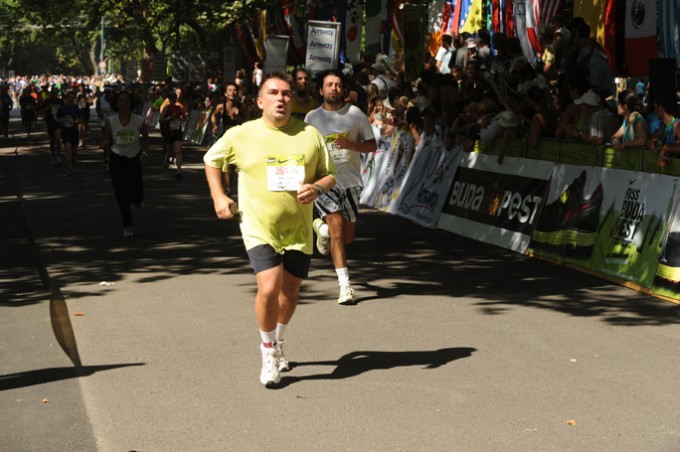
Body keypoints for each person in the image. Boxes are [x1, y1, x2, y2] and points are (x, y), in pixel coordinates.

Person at [203, 72, 336, 388]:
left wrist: (317, 188)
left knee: (290, 291)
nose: (281, 98)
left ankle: (277, 340)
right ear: (260, 101)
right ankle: (267, 352)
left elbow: (329, 174)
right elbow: (211, 160)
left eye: (287, 93)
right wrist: (219, 196)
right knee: (269, 287)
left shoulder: (310, 134)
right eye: (273, 93)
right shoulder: (241, 134)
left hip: (298, 229)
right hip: (258, 226)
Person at [304, 70, 377, 305]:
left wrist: (351, 145)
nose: (334, 88)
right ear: (321, 90)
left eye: (337, 84)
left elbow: (372, 145)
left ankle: (320, 229)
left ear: (343, 89)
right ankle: (345, 286)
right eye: (329, 84)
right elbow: (304, 150)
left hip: (351, 182)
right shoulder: (312, 118)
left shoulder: (355, 114)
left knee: (346, 236)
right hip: (325, 181)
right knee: (336, 227)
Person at [102, 90, 150, 238]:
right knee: (121, 193)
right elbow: (105, 139)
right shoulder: (111, 121)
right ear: (117, 104)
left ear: (131, 103)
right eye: (121, 100)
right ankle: (128, 225)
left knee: (136, 191)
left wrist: (144, 153)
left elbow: (146, 138)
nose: (125, 103)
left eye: (127, 100)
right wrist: (105, 144)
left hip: (134, 157)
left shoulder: (138, 120)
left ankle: (137, 200)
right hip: (117, 158)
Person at [159, 91, 187, 179]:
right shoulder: (166, 108)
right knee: (169, 152)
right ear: (169, 99)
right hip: (169, 132)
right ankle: (166, 159)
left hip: (177, 132)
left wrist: (181, 120)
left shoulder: (178, 108)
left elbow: (185, 117)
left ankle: (179, 171)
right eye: (171, 98)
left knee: (178, 151)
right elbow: (160, 120)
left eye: (174, 98)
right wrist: (170, 118)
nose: (173, 100)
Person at [648, 95, 680, 168]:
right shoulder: (664, 126)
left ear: (660, 109)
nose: (654, 111)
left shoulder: (677, 125)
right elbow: (651, 140)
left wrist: (666, 148)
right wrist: (652, 144)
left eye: (655, 108)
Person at [56, 91, 81, 176]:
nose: (71, 99)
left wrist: (77, 121)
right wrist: (60, 120)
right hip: (65, 130)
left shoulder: (76, 108)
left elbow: (81, 119)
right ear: (67, 98)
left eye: (73, 97)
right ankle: (69, 168)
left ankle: (73, 158)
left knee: (74, 150)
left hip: (74, 131)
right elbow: (56, 118)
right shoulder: (62, 108)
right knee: (68, 149)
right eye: (70, 97)